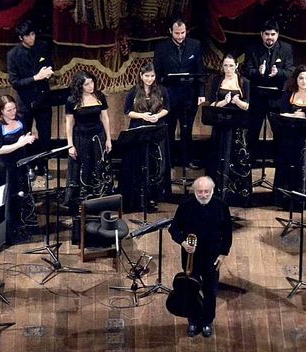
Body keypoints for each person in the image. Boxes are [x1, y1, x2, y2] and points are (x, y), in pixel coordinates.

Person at [169, 176, 232, 338]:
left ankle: (207, 321)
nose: (203, 195)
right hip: (191, 256)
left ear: (212, 190)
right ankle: (193, 321)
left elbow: (227, 232)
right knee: (190, 289)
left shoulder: (221, 206)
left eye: (206, 191)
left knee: (210, 290)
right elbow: (174, 229)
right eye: (200, 191)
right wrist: (183, 243)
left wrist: (224, 253)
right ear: (194, 191)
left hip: (212, 255)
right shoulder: (186, 205)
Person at [273, 65, 306, 208]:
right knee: (291, 165)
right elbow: (282, 112)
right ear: (296, 79)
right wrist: (294, 115)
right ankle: (289, 200)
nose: (304, 81)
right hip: (292, 135)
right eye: (301, 78)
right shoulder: (289, 93)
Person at [119, 62, 171, 213]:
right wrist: (142, 116)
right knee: (138, 164)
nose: (149, 79)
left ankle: (152, 197)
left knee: (155, 165)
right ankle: (137, 198)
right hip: (138, 131)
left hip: (156, 131)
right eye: (147, 76)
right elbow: (127, 110)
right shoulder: (133, 91)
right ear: (141, 76)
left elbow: (167, 108)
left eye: (152, 76)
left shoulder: (162, 90)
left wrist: (157, 116)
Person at [154, 18, 205, 168]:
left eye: (182, 32)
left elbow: (199, 70)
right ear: (171, 31)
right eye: (177, 33)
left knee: (186, 128)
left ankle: (187, 159)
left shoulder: (195, 45)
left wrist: (201, 93)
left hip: (189, 94)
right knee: (168, 128)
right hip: (169, 94)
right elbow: (157, 72)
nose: (180, 36)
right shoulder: (161, 47)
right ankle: (169, 161)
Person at [7, 19, 54, 180]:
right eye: (28, 35)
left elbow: (49, 65)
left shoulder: (42, 47)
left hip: (43, 99)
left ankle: (43, 166)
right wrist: (35, 78)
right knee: (26, 135)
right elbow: (15, 82)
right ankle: (28, 167)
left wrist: (48, 72)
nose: (32, 38)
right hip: (25, 103)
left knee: (46, 136)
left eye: (33, 34)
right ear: (21, 38)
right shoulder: (13, 55)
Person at [0, 95, 36, 244]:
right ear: (1, 111)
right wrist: (20, 144)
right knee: (8, 199)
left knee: (20, 196)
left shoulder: (19, 120)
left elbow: (22, 137)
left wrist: (28, 138)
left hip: (19, 165)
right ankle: (7, 233)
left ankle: (21, 226)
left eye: (14, 108)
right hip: (4, 168)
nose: (13, 112)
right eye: (9, 110)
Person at [243, 19, 294, 160]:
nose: (269, 37)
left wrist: (278, 73)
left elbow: (290, 71)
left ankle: (279, 164)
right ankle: (248, 163)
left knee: (279, 133)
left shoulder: (286, 49)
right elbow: (246, 70)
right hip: (257, 97)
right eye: (267, 34)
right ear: (261, 34)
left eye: (272, 34)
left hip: (277, 98)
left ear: (277, 35)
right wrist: (258, 72)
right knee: (252, 132)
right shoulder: (252, 49)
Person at [64, 71, 113, 213]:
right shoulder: (72, 100)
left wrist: (108, 139)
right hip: (81, 138)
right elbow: (69, 123)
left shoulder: (100, 96)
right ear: (80, 86)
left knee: (99, 167)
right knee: (83, 168)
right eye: (87, 84)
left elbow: (105, 118)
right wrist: (70, 144)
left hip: (98, 137)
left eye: (92, 82)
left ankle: (100, 197)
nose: (91, 86)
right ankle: (82, 200)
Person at [207, 54, 251, 207]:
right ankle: (219, 193)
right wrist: (222, 102)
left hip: (237, 126)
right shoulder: (217, 81)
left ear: (236, 66)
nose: (228, 69)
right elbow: (211, 103)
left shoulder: (244, 82)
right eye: (225, 66)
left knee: (237, 157)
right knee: (219, 155)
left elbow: (248, 105)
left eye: (231, 66)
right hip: (220, 124)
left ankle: (237, 195)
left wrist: (238, 102)